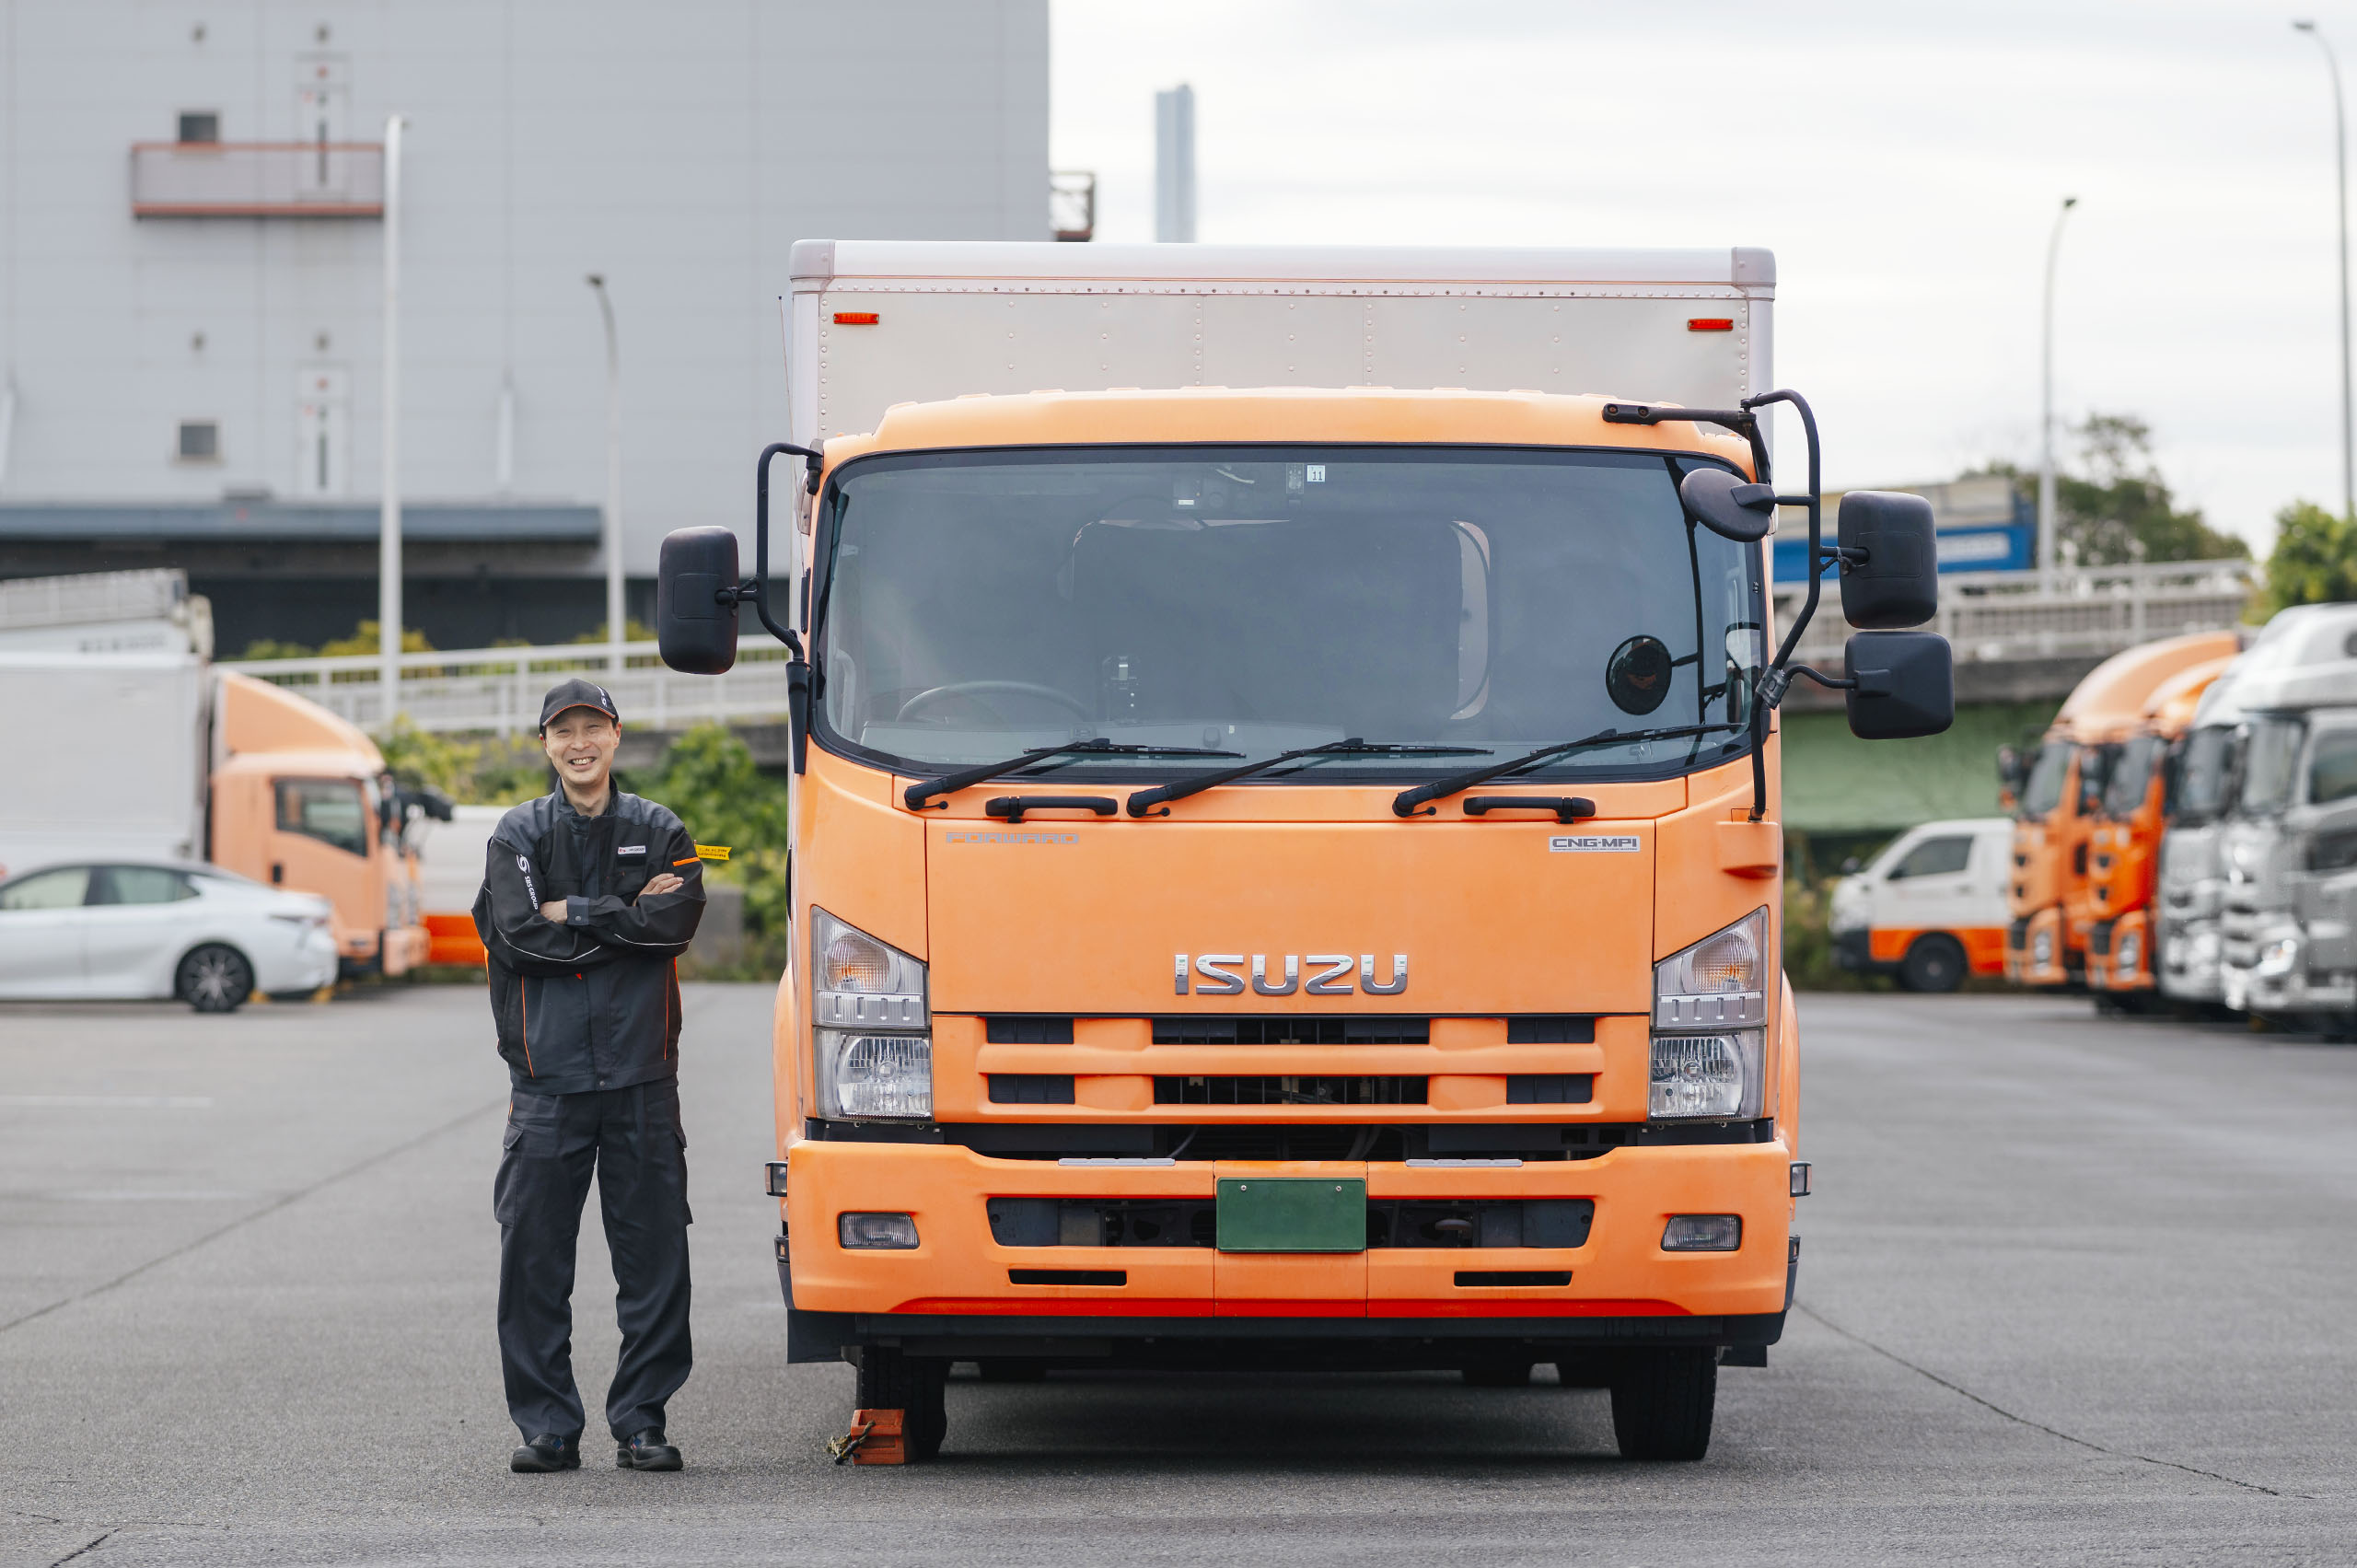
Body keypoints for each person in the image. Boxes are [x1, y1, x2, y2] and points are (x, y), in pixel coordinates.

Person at [472, 679, 707, 1474]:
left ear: (616, 736)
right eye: (563, 729)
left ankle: (641, 1419)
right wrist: (624, 916)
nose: (580, 741)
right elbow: (519, 937)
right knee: (534, 1260)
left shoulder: (661, 828)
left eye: (593, 727)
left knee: (655, 1259)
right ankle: (548, 1426)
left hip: (643, 1078)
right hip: (547, 1083)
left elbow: (674, 923)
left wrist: (578, 910)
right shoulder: (517, 835)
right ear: (545, 744)